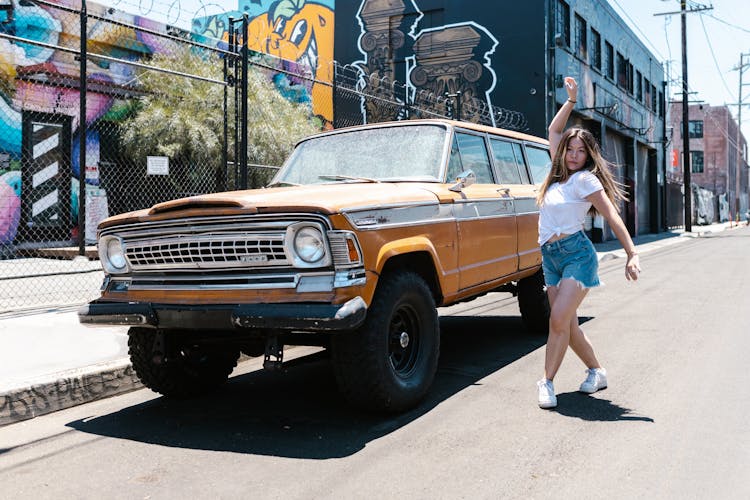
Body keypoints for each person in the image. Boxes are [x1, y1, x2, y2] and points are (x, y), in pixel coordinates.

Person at [535, 76, 641, 409]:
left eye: (581, 151)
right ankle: (596, 372)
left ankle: (546, 382)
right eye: (571, 149)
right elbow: (553, 132)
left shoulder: (585, 179)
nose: (575, 155)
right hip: (550, 256)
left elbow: (611, 215)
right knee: (568, 324)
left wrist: (632, 253)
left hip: (577, 256)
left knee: (556, 321)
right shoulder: (557, 176)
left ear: (587, 156)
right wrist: (570, 101)